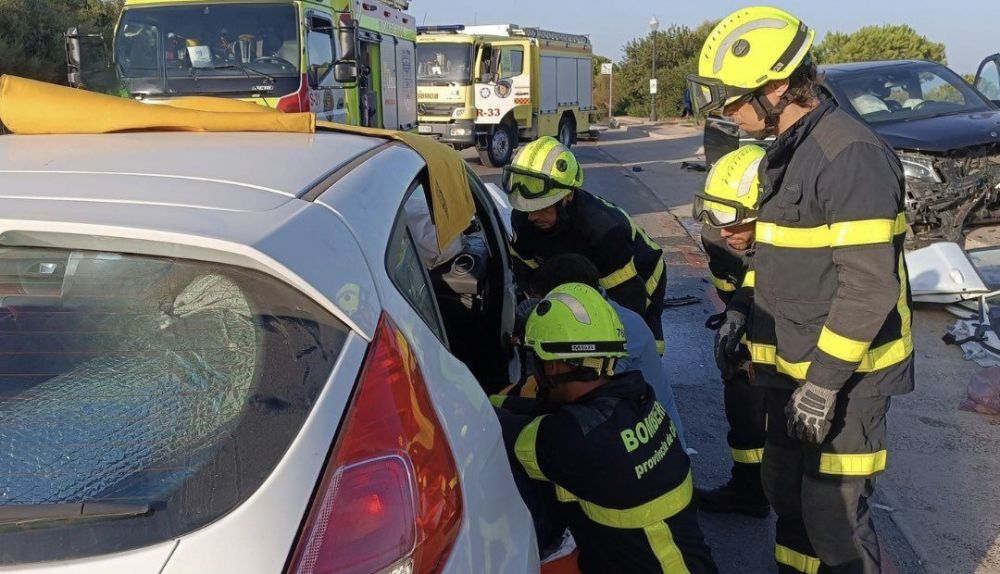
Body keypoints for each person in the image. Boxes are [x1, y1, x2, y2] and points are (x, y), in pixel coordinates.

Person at [687, 6, 914, 574]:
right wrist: (741, 309)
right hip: (794, 369)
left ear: (778, 87)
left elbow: (868, 289)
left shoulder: (849, 157)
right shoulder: (786, 152)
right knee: (785, 493)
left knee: (834, 521)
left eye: (734, 101)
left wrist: (822, 386)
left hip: (847, 379)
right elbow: (779, 259)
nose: (727, 114)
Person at [497, 283, 717, 574]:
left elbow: (499, 430)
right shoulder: (639, 398)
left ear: (551, 367)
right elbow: (548, 417)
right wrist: (498, 401)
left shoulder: (574, 440)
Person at [505, 136, 667, 354]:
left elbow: (627, 300)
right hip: (586, 271)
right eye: (527, 208)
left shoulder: (603, 230)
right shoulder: (523, 218)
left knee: (635, 342)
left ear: (568, 196)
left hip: (639, 277)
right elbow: (525, 270)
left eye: (542, 208)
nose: (532, 216)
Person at [511, 253, 689, 450]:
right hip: (644, 435)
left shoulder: (613, 334)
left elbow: (576, 401)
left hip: (645, 443)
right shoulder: (604, 315)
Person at [693, 145, 770, 518]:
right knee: (742, 405)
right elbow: (732, 292)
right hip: (751, 327)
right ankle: (749, 492)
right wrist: (735, 332)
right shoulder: (718, 237)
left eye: (735, 221)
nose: (725, 231)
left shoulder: (798, 242)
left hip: (803, 345)